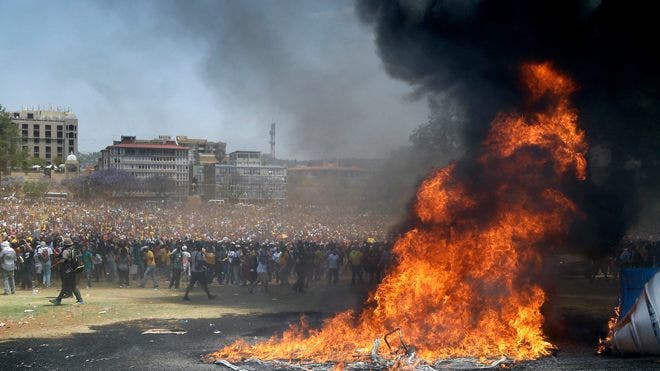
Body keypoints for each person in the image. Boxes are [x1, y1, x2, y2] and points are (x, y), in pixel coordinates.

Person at [50, 237, 84, 305]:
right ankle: (58, 300)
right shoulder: (75, 249)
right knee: (66, 285)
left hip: (68, 271)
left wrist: (54, 265)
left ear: (65, 244)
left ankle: (80, 300)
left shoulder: (66, 251)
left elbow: (63, 260)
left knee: (72, 285)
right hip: (75, 269)